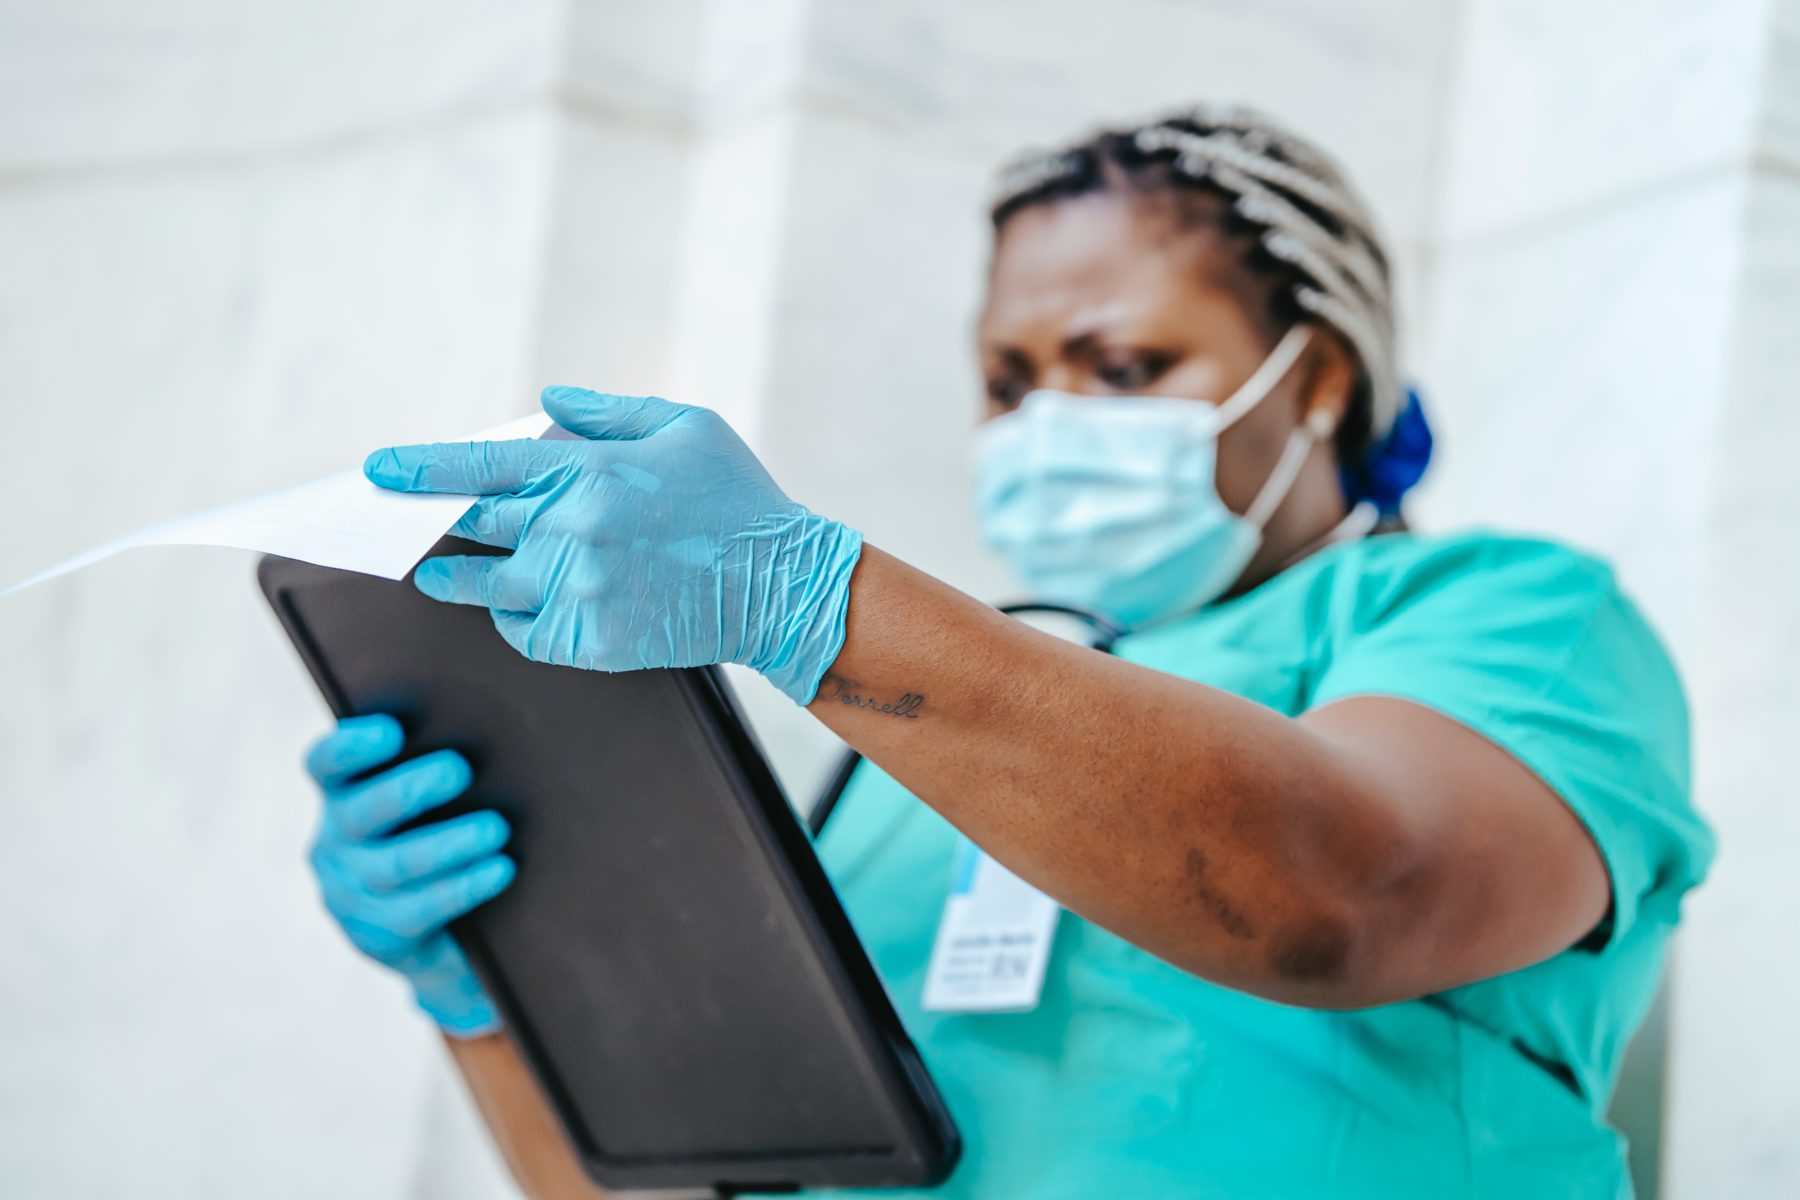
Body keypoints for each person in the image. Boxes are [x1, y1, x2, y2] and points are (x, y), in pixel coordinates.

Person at [301, 107, 1713, 1198]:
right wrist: (496, 989)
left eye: (1123, 366)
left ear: (1323, 376)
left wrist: (811, 597)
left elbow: (1339, 894)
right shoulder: (913, 747)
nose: (1049, 421)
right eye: (1008, 381)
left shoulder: (1504, 613)